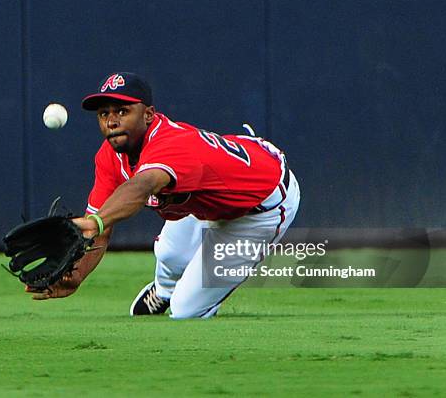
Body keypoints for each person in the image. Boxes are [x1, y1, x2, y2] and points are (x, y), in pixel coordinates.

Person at [28, 72, 301, 319]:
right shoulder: (109, 156)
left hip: (260, 204)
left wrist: (95, 221)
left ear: (148, 115)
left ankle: (188, 297)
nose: (111, 121)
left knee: (186, 311)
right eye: (103, 114)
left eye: (122, 111)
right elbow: (100, 227)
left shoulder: (171, 145)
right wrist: (77, 275)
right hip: (209, 196)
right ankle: (164, 289)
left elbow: (142, 186)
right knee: (170, 254)